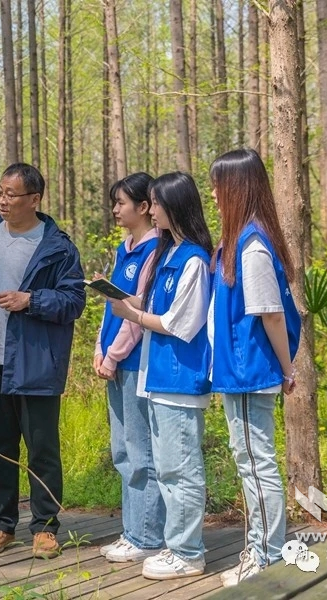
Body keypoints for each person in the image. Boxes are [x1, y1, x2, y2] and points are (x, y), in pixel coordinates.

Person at [0, 163, 86, 559]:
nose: (3, 200)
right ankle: (0, 526)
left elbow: (74, 301)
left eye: (12, 194)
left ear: (34, 199)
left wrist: (30, 300)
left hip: (36, 360)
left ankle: (45, 528)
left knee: (41, 448)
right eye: (0, 191)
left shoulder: (57, 247)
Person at [109, 172, 214, 580]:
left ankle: (188, 551)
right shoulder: (170, 254)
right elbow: (156, 305)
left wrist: (133, 314)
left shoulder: (194, 259)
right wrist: (123, 299)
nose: (150, 209)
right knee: (167, 467)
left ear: (175, 205)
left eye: (155, 202)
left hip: (181, 379)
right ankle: (176, 545)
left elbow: (180, 323)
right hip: (157, 379)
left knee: (181, 468)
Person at [207, 149, 301, 586]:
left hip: (249, 372)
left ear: (237, 189)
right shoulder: (243, 239)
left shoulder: (252, 244)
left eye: (218, 186)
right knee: (252, 460)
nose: (212, 194)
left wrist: (286, 368)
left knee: (255, 462)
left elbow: (272, 314)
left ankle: (265, 556)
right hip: (241, 370)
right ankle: (264, 549)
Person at [92, 173, 166, 563]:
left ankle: (147, 536)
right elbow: (113, 304)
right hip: (114, 361)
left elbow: (137, 316)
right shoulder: (126, 248)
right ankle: (132, 530)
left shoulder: (155, 251)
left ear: (143, 207)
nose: (115, 210)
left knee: (140, 452)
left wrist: (114, 354)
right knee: (122, 450)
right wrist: (97, 348)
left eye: (121, 203)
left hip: (135, 363)